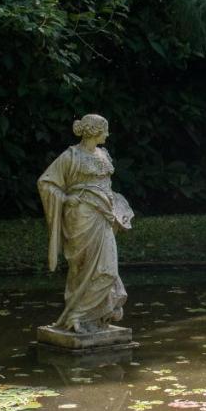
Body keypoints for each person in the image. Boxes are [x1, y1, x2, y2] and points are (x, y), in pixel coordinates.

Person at [37, 114, 134, 332]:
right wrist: (65, 198)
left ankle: (86, 315)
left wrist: (117, 205)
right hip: (81, 217)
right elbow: (45, 183)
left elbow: (105, 185)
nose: (107, 134)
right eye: (104, 130)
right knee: (80, 268)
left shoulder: (104, 154)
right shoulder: (71, 156)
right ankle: (78, 317)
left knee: (107, 270)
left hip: (103, 216)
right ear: (93, 131)